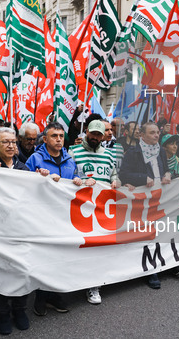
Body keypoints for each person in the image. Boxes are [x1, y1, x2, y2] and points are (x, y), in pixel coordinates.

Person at [0, 127, 49, 335]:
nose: (11, 145)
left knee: (21, 270)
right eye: (5, 142)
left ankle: (20, 310)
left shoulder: (23, 168)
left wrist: (43, 178)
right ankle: (2, 314)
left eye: (13, 141)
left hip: (21, 230)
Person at [26, 122, 82, 316]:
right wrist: (37, 176)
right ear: (45, 139)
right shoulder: (35, 159)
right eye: (54, 136)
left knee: (60, 257)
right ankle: (41, 297)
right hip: (42, 217)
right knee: (44, 257)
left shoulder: (70, 160)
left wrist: (79, 181)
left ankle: (53, 296)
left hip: (64, 217)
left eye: (60, 136)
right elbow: (22, 184)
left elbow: (76, 178)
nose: (59, 139)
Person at [69, 120, 119, 305]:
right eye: (93, 134)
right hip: (81, 207)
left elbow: (114, 173)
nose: (96, 138)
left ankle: (94, 285)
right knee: (82, 246)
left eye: (99, 135)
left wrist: (116, 180)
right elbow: (69, 173)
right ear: (87, 132)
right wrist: (78, 180)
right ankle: (79, 280)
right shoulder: (73, 152)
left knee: (99, 246)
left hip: (103, 208)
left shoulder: (107, 154)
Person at [119, 122, 171, 289]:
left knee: (159, 232)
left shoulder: (161, 151)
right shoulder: (133, 153)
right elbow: (124, 175)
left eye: (157, 132)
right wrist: (143, 178)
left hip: (159, 197)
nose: (157, 135)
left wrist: (169, 174)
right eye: (152, 133)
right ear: (142, 135)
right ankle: (150, 270)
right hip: (142, 200)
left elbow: (166, 169)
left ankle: (164, 263)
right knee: (146, 235)